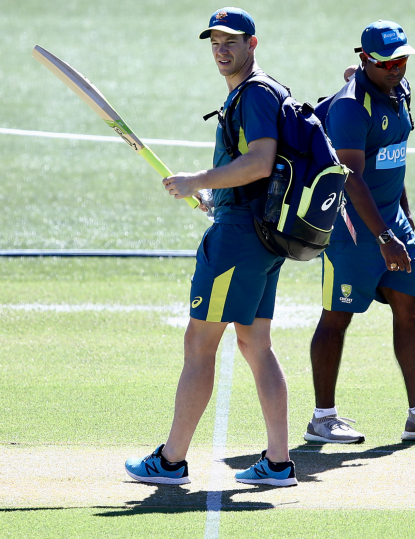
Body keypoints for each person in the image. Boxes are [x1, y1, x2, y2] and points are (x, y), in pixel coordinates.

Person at [124, 7, 296, 487]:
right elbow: (256, 169)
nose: (221, 50)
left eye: (231, 42)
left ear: (252, 44)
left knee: (200, 345)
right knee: (255, 344)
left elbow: (260, 162)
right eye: (214, 42)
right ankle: (278, 463)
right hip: (260, 234)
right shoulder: (266, 92)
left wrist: (196, 179)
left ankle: (171, 460)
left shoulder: (255, 94)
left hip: (240, 239)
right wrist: (213, 196)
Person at [305, 20, 415, 444]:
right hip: (352, 230)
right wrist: (383, 237)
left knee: (411, 307)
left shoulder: (401, 92)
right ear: (365, 61)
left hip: (390, 221)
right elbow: (351, 178)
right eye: (387, 63)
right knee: (336, 317)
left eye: (402, 60)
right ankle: (322, 419)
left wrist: (404, 212)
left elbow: (393, 159)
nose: (397, 69)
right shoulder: (349, 108)